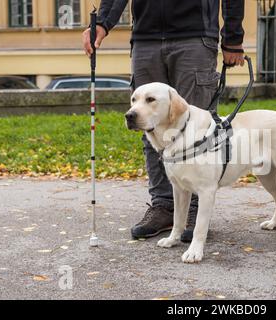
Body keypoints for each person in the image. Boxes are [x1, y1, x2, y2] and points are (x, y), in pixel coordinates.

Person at [83, 0, 245, 243]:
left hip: (195, 35)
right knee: (149, 125)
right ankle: (163, 205)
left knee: (199, 130)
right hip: (145, 37)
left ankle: (196, 209)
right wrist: (104, 23)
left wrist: (233, 36)